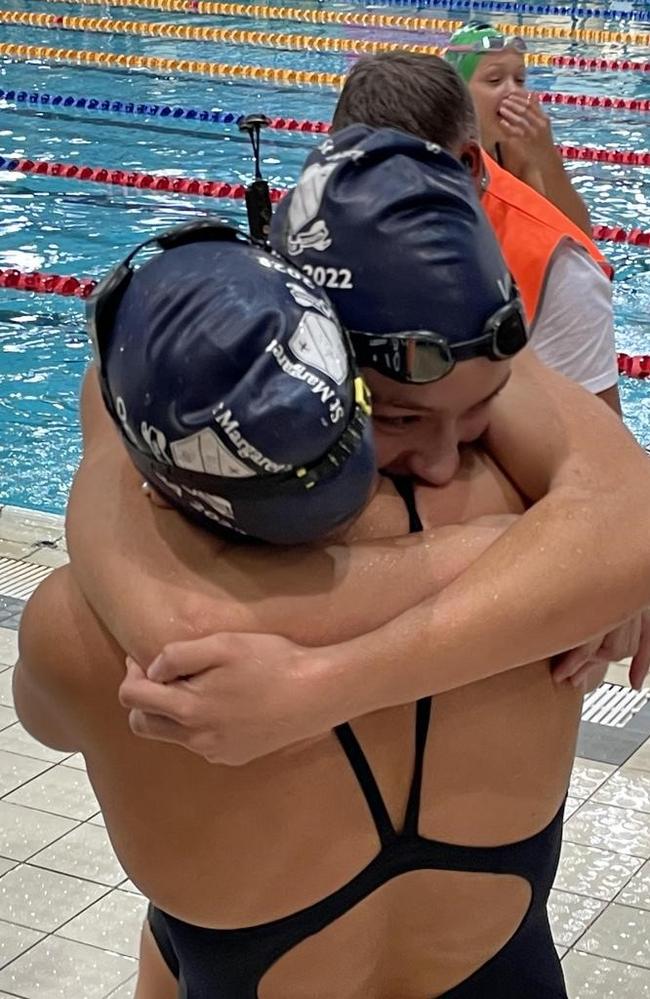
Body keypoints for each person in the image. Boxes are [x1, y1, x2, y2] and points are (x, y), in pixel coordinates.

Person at [16, 202, 581, 997]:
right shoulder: (541, 531)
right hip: (503, 967)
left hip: (251, 951)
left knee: (179, 934)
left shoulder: (82, 633)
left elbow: (43, 722)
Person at [60, 126, 650, 774]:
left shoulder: (464, 352)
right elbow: (185, 629)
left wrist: (326, 684)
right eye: (398, 417)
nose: (443, 463)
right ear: (315, 347)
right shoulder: (156, 378)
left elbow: (637, 519)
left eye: (480, 412)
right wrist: (558, 562)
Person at [330, 52, 621, 414]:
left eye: (405, 190)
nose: (381, 211)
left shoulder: (556, 268)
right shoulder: (326, 215)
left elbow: (595, 454)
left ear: (466, 165)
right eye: (359, 185)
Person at [444, 21, 592, 236]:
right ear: (458, 90)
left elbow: (580, 237)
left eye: (519, 80)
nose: (513, 91)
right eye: (495, 80)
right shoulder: (442, 156)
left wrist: (547, 156)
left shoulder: (514, 152)